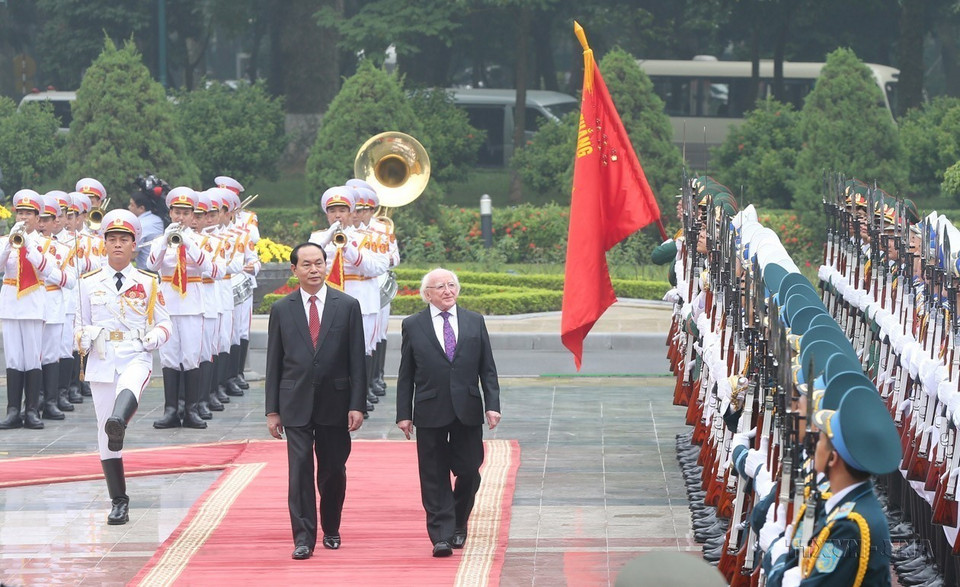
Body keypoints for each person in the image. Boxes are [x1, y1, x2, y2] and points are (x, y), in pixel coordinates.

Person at [264, 242, 366, 561]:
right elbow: (274, 361)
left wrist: (357, 404)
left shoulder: (347, 305)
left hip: (336, 401)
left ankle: (331, 527)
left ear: (326, 265)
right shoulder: (282, 309)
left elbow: (357, 360)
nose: (314, 270)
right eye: (306, 264)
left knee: (333, 470)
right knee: (300, 470)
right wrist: (272, 410)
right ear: (294, 270)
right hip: (294, 402)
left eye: (319, 263)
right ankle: (303, 538)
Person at [396, 268, 502, 557]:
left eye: (451, 285)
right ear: (427, 294)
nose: (447, 291)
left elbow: (487, 368)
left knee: (469, 470)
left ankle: (458, 520)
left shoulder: (474, 321)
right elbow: (406, 374)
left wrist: (492, 404)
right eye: (440, 286)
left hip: (467, 408)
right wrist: (404, 413)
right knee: (433, 473)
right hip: (430, 408)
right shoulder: (413, 325)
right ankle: (441, 535)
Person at [76, 209, 171, 525]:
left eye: (124, 239)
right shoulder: (87, 283)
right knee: (105, 434)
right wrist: (83, 337)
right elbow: (79, 325)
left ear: (134, 245)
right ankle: (119, 501)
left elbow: (165, 323)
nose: (117, 244)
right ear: (104, 244)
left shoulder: (148, 281)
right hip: (102, 358)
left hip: (136, 352)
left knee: (129, 389)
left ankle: (120, 420)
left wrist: (154, 337)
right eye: (112, 239)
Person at [764, 386, 901, 586]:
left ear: (833, 458)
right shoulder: (847, 506)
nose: (815, 446)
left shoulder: (850, 526)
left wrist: (777, 560)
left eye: (820, 441)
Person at [0, 189, 71, 430]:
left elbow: (46, 269)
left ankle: (31, 410)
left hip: (33, 304)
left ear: (37, 217)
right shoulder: (6, 240)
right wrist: (9, 244)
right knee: (13, 359)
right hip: (11, 304)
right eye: (20, 212)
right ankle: (12, 410)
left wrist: (28, 245)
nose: (23, 217)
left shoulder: (44, 244)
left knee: (32, 358)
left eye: (28, 213)